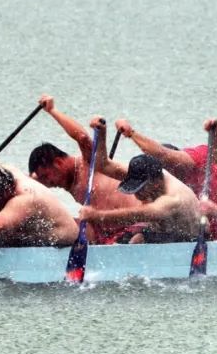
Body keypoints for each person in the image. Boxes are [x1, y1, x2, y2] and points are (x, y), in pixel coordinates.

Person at [112, 116, 217, 239]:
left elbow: (162, 154)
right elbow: (108, 167)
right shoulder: (161, 183)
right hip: (210, 232)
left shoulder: (196, 159)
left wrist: (131, 133)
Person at [27, 95, 139, 243]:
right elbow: (27, 182)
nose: (48, 183)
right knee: (55, 227)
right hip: (110, 230)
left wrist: (52, 110)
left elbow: (82, 137)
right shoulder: (59, 180)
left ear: (58, 162)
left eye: (46, 176)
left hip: (136, 223)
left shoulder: (87, 163)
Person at [74, 119, 201, 244]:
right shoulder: (152, 174)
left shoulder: (173, 199)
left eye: (139, 189)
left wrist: (98, 216)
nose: (136, 195)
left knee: (138, 239)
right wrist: (101, 132)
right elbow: (103, 165)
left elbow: (139, 214)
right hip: (164, 231)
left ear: (156, 183)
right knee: (128, 238)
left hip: (187, 240)